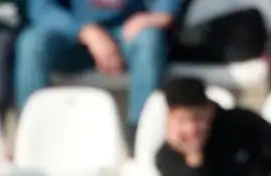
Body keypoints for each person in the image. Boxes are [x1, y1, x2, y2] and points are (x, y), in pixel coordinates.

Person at [12, 0, 174, 130]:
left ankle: (140, 132)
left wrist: (161, 14)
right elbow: (42, 10)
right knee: (31, 43)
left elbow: (165, 10)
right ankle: (33, 130)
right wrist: (85, 31)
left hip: (125, 32)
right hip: (70, 35)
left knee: (149, 40)